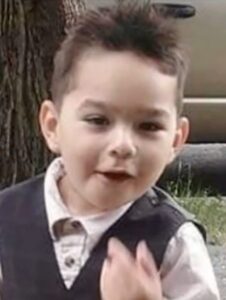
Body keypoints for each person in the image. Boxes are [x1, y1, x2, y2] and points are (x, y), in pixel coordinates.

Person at [0, 2, 220, 300]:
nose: (123, 146)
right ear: (53, 126)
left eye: (148, 126)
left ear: (175, 140)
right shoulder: (8, 219)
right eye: (98, 120)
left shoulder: (174, 243)